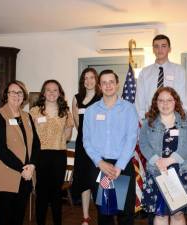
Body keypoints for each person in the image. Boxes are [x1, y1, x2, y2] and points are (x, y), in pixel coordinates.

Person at [83, 69, 139, 225]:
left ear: (117, 84)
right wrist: (99, 162)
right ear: (99, 86)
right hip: (99, 166)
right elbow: (86, 140)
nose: (108, 86)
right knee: (104, 213)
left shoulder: (128, 109)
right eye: (104, 82)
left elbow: (131, 138)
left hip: (122, 164)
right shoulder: (91, 111)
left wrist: (119, 167)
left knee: (125, 214)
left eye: (111, 82)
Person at [139, 87, 187, 225]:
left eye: (169, 100)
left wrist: (170, 160)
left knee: (178, 214)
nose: (165, 104)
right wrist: (157, 161)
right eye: (161, 100)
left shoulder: (186, 120)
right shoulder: (149, 122)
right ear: (156, 102)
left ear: (175, 102)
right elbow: (143, 143)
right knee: (161, 214)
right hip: (157, 172)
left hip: (182, 172)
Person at [0, 80, 40, 225]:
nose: (16, 95)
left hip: (26, 175)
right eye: (13, 92)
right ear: (6, 95)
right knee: (4, 217)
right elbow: (1, 150)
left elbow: (36, 144)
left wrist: (32, 165)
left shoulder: (27, 116)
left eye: (20, 92)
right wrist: (22, 168)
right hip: (8, 174)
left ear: (24, 96)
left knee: (18, 216)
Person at [30, 79, 74, 225]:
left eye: (55, 90)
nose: (51, 93)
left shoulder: (65, 112)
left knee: (56, 194)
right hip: (40, 155)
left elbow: (68, 135)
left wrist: (57, 137)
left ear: (60, 93)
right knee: (41, 193)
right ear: (43, 92)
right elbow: (30, 135)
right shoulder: (34, 111)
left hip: (58, 155)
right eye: (48, 90)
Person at [71, 68, 102, 225]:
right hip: (82, 145)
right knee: (84, 180)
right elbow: (77, 124)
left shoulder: (102, 97)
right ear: (82, 81)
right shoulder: (76, 99)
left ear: (96, 80)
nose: (89, 81)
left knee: (98, 179)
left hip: (100, 146)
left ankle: (103, 214)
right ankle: (85, 216)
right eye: (85, 78)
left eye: (92, 78)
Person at [136, 34, 187, 120]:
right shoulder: (144, 73)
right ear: (153, 49)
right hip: (150, 120)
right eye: (156, 46)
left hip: (173, 120)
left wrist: (178, 119)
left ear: (169, 49)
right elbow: (139, 100)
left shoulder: (179, 71)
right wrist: (143, 120)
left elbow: (183, 99)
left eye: (163, 46)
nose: (159, 49)